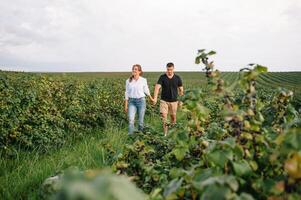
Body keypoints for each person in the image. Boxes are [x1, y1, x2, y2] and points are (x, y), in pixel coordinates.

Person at [153, 62, 184, 135]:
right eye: (168, 69)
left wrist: (181, 101)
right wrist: (155, 98)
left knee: (173, 118)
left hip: (174, 101)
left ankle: (173, 133)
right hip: (164, 101)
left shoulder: (177, 78)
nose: (169, 71)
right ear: (166, 69)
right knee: (164, 117)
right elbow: (157, 87)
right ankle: (165, 134)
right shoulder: (162, 77)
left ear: (173, 69)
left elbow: (181, 90)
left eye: (171, 70)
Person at [124, 64, 154, 134]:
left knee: (140, 121)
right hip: (132, 102)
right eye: (133, 69)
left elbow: (146, 90)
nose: (134, 70)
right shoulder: (128, 81)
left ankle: (140, 136)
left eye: (136, 69)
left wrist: (151, 99)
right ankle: (131, 137)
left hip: (141, 101)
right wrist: (126, 105)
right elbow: (127, 92)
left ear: (139, 71)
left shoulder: (143, 80)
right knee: (131, 120)